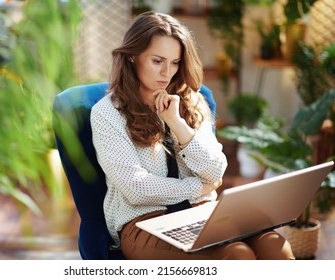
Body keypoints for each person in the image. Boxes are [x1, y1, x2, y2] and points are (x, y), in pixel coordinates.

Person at [90, 11, 294, 260]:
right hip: (143, 221)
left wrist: (176, 123)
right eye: (157, 61)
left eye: (175, 62)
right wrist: (197, 187)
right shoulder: (107, 113)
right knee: (237, 256)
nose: (167, 72)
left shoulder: (193, 100)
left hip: (202, 213)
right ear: (133, 56)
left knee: (275, 245)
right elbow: (136, 188)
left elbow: (215, 171)